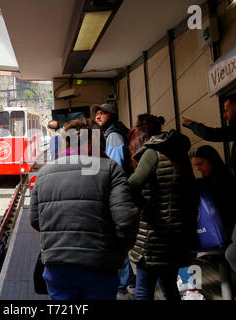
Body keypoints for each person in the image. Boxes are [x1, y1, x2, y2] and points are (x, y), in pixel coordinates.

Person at [29, 118, 139, 300]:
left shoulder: (43, 174)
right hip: (100, 265)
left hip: (57, 265)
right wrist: (118, 252)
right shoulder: (111, 169)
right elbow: (126, 220)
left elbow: (35, 220)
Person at [182, 91, 236, 289]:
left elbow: (215, 134)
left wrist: (192, 125)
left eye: (226, 110)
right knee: (235, 254)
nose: (224, 115)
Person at [127, 115, 199, 300]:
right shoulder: (179, 154)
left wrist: (141, 206)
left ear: (143, 140)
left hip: (154, 236)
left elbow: (132, 186)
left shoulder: (151, 153)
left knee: (143, 289)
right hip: (177, 234)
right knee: (169, 286)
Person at [177, 145, 236, 300]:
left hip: (222, 237)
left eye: (200, 164)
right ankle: (190, 287)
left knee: (180, 248)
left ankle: (191, 290)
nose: (198, 169)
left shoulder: (212, 185)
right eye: (195, 166)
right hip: (231, 235)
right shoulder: (230, 180)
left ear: (212, 160)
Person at [92, 103, 135, 298]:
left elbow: (115, 167)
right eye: (97, 114)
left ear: (112, 115)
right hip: (119, 193)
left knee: (115, 239)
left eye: (102, 113)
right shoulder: (111, 133)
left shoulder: (114, 135)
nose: (98, 116)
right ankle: (129, 280)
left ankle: (123, 284)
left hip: (117, 194)